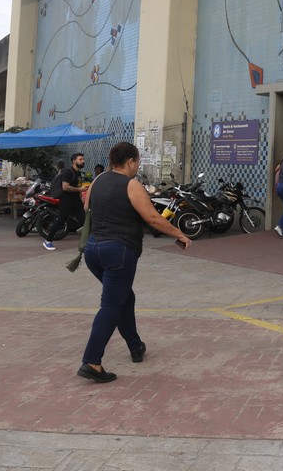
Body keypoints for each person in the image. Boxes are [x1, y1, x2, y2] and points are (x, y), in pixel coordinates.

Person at [78, 141, 191, 383]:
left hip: (93, 250)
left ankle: (135, 346)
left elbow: (87, 206)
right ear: (130, 161)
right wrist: (179, 234)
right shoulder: (131, 185)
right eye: (137, 162)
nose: (137, 167)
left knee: (124, 298)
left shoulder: (98, 181)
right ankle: (91, 361)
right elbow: (152, 217)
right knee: (111, 305)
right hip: (118, 252)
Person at [43, 152, 88, 251]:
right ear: (74, 161)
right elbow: (65, 187)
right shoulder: (68, 172)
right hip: (66, 200)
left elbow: (77, 186)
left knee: (83, 219)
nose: (83, 161)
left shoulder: (78, 173)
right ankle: (48, 240)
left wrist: (80, 196)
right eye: (80, 159)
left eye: (83, 159)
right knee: (61, 220)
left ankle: (86, 243)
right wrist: (80, 190)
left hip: (76, 200)